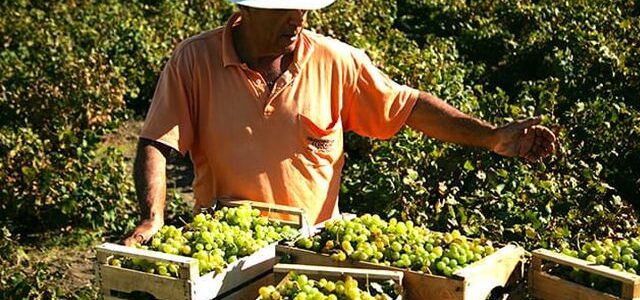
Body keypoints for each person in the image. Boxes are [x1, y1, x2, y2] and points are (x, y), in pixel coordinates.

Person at [123, 0, 556, 246]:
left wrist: (490, 137)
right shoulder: (194, 60)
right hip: (226, 253)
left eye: (304, 8)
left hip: (315, 251)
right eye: (284, 8)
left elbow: (408, 107)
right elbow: (157, 142)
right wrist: (153, 217)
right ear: (246, 9)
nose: (299, 18)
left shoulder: (335, 61)